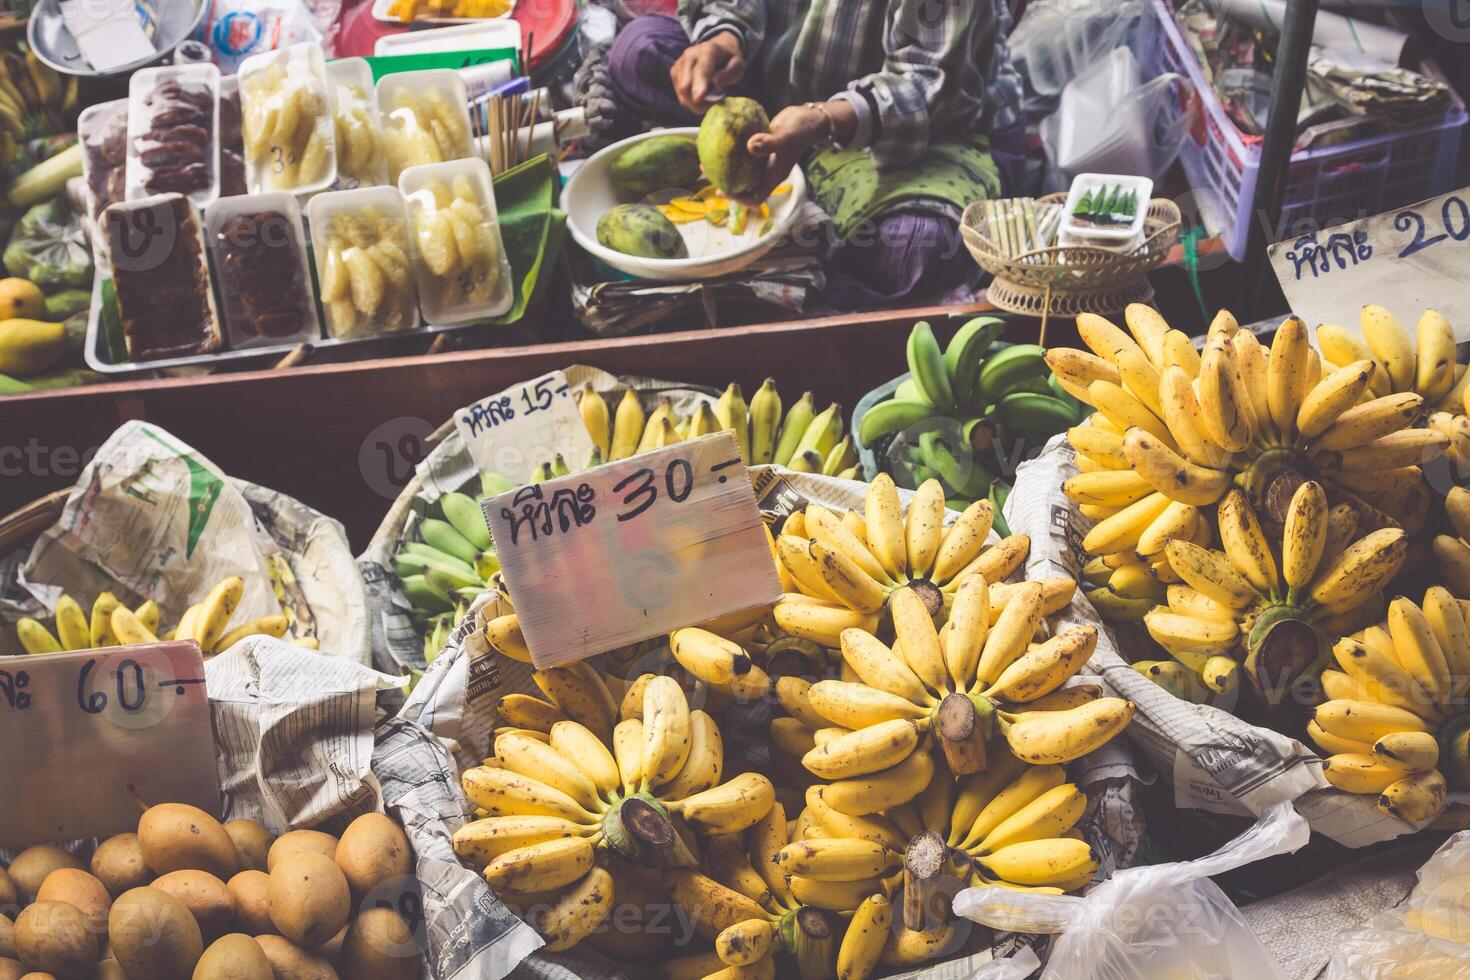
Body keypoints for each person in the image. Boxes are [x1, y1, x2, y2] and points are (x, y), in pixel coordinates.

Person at [604, 0, 1026, 307]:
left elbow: (934, 83)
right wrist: (724, 37)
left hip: (914, 119)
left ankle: (817, 266)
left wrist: (826, 119)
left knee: (913, 243)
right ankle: (798, 181)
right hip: (777, 88)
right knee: (640, 50)